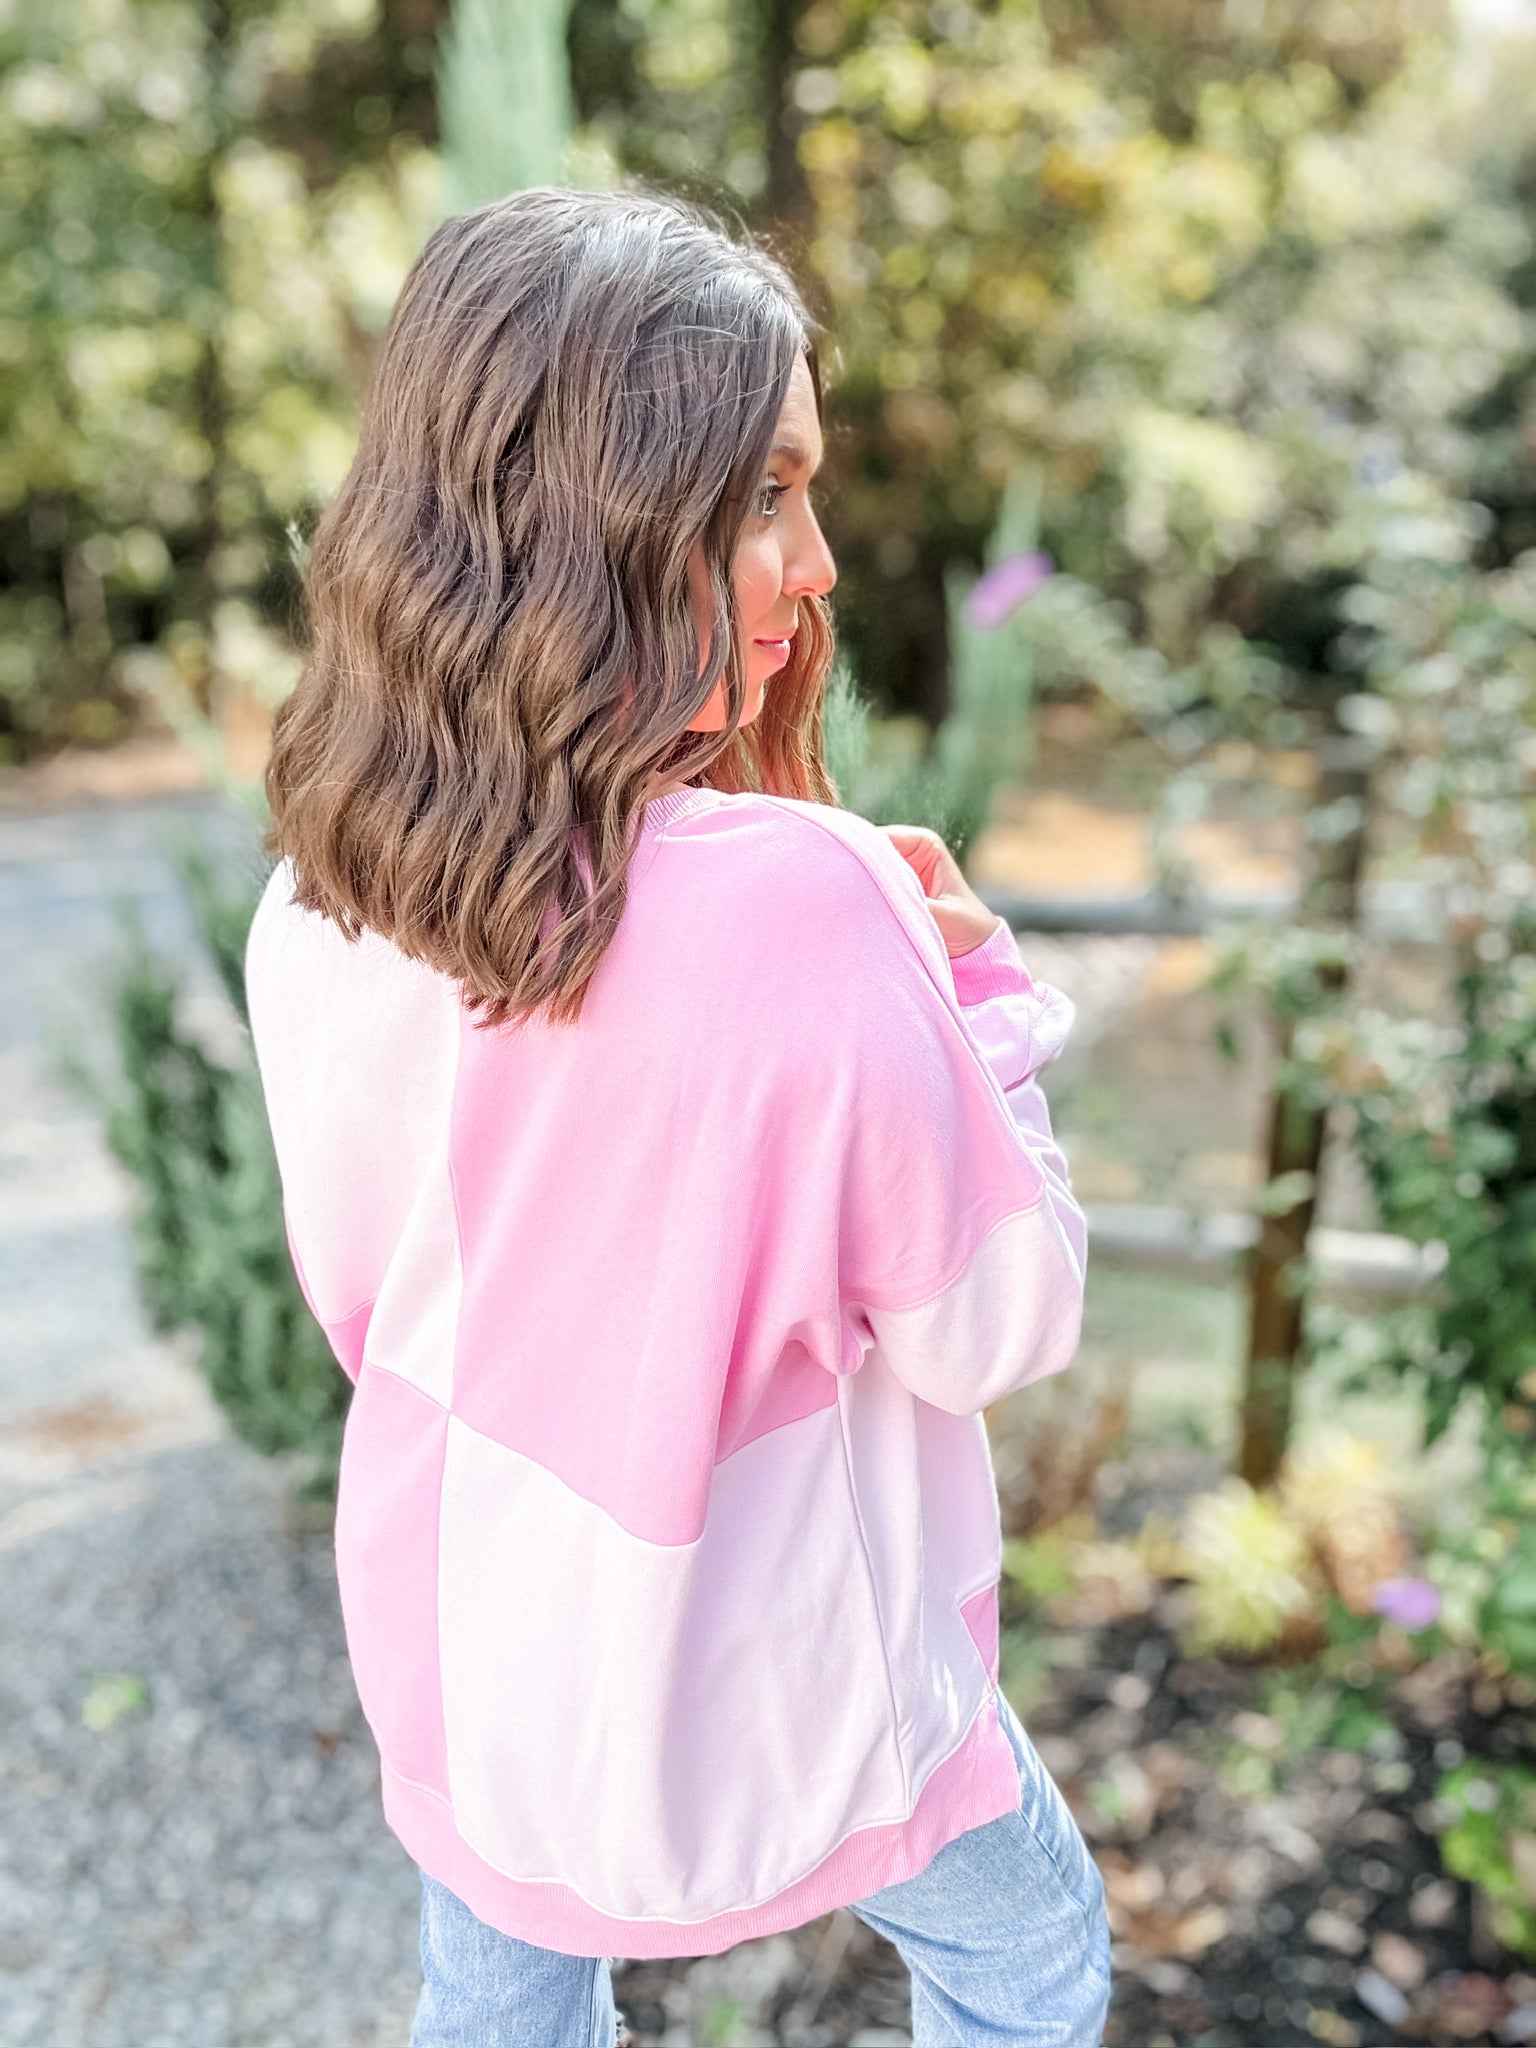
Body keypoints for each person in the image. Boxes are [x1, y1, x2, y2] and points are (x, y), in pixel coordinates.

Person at [244, 183, 1110, 2048]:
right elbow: (1001, 1326)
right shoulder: (805, 911)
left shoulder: (324, 889)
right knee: (1030, 1956)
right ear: (597, 524)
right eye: (765, 497)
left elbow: (357, 1294)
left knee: (498, 1993)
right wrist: (980, 999)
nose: (814, 565)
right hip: (785, 1671)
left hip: (470, 1636)